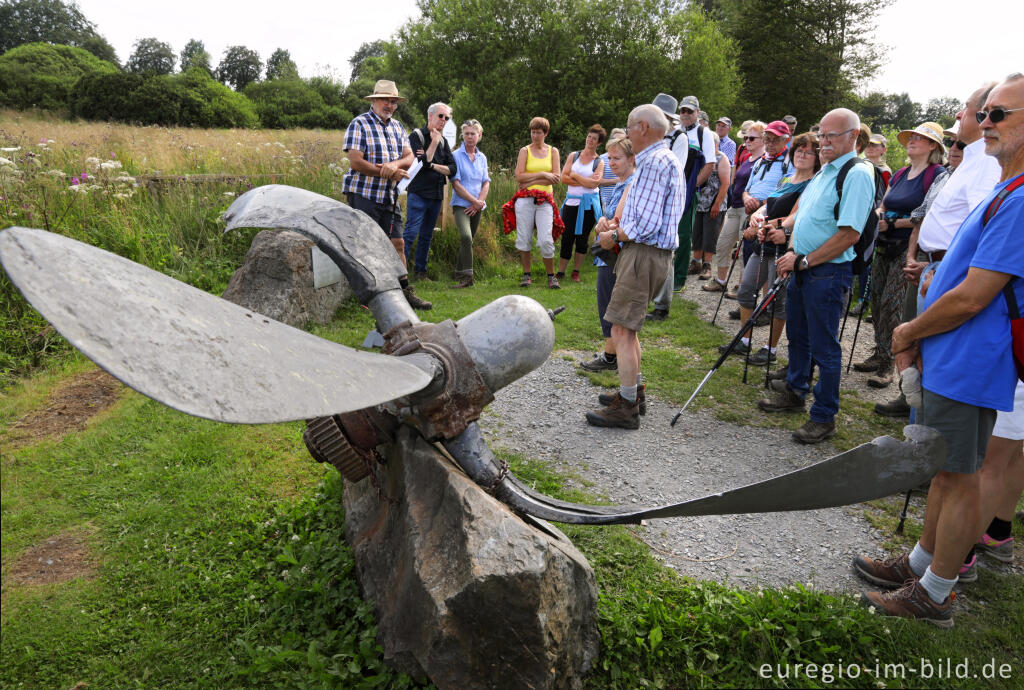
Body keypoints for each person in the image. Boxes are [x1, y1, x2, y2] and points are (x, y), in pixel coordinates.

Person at [854, 73, 1024, 626]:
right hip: (953, 355)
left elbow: (975, 296)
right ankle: (922, 564)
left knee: (958, 476)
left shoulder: (1021, 198)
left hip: (969, 357)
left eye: (997, 114)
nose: (982, 124)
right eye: (985, 113)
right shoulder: (1005, 186)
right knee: (942, 470)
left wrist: (910, 331)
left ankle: (937, 590)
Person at [874, 82, 1002, 418]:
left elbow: (981, 230)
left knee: (929, 352)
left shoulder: (985, 165)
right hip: (930, 267)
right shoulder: (971, 162)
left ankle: (928, 428)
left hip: (947, 273)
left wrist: (941, 269)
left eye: (966, 107)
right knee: (919, 349)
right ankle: (918, 413)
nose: (959, 114)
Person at [757, 108, 875, 444]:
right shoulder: (826, 171)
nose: (823, 142)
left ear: (853, 137)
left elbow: (849, 234)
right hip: (803, 266)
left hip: (826, 272)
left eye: (831, 136)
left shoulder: (856, 173)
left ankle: (823, 417)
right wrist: (781, 233)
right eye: (821, 134)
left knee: (825, 348)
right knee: (799, 335)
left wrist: (803, 261)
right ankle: (795, 392)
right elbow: (804, 216)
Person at [587, 104, 682, 429]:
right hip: (651, 254)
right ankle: (633, 391)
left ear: (643, 127)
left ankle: (626, 406)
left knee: (620, 330)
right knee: (628, 328)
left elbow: (645, 223)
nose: (627, 135)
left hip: (643, 253)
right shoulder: (665, 159)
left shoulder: (654, 162)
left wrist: (613, 235)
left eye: (629, 128)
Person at [854, 122, 947, 389]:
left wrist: (893, 224)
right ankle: (880, 351)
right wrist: (878, 217)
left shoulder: (936, 175)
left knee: (892, 305)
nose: (913, 141)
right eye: (912, 137)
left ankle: (888, 366)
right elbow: (885, 204)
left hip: (908, 249)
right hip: (882, 244)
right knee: (875, 300)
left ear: (933, 146)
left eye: (920, 138)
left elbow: (926, 215)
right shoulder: (901, 173)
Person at [724, 132, 821, 366]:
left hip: (783, 244)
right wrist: (757, 217)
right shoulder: (787, 180)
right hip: (763, 242)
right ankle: (745, 341)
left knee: (776, 300)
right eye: (799, 150)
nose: (802, 155)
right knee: (746, 290)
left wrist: (772, 225)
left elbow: (798, 215)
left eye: (809, 152)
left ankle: (771, 348)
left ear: (817, 158)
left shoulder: (814, 183)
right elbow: (770, 203)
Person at [342, 79, 431, 310]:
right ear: (374, 101)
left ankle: (404, 293)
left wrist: (394, 165)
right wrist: (385, 171)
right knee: (366, 246)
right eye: (385, 100)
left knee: (398, 243)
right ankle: (368, 298)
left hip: (389, 196)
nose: (389, 105)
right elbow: (355, 162)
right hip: (363, 194)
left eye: (393, 101)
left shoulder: (397, 127)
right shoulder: (359, 124)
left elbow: (409, 157)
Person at [580, 131, 635, 372]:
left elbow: (626, 220)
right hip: (609, 251)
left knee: (611, 306)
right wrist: (602, 220)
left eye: (617, 159)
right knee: (607, 303)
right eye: (610, 158)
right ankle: (611, 353)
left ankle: (612, 358)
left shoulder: (632, 184)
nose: (612, 163)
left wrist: (608, 225)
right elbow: (611, 214)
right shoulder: (621, 183)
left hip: (618, 253)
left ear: (631, 158)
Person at [704, 122, 764, 294]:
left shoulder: (764, 160)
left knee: (746, 250)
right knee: (722, 244)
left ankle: (741, 286)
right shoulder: (747, 157)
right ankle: (721, 281)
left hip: (749, 210)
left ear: (762, 140)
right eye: (745, 138)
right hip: (735, 206)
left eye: (751, 138)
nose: (747, 141)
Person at [404, 102, 457, 281]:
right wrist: (433, 143)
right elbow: (421, 163)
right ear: (430, 116)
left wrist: (432, 165)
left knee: (427, 235)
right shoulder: (416, 136)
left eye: (446, 118)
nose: (443, 120)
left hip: (436, 195)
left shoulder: (445, 141)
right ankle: (399, 274)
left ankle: (421, 272)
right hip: (418, 193)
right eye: (441, 116)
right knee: (410, 234)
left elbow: (453, 168)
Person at [512, 117, 562, 288]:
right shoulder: (524, 151)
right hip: (525, 200)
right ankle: (526, 274)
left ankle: (551, 276)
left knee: (545, 239)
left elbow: (555, 178)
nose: (534, 136)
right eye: (533, 132)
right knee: (524, 237)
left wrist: (530, 181)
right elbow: (518, 176)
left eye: (538, 133)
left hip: (546, 201)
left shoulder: (553, 151)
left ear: (545, 133)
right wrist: (543, 174)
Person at [558, 124, 607, 282]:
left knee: (582, 238)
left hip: (588, 205)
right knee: (567, 237)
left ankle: (576, 271)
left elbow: (594, 184)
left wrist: (576, 176)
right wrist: (583, 180)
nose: (590, 140)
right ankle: (560, 271)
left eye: (594, 139)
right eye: (589, 137)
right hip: (572, 203)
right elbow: (563, 177)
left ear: (599, 143)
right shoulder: (574, 156)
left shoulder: (599, 162)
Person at [677, 96, 717, 283]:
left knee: (684, 234)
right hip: (671, 190)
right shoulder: (675, 131)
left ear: (697, 113)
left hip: (688, 193)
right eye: (682, 110)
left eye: (689, 111)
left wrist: (691, 188)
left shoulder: (704, 133)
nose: (685, 114)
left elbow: (710, 164)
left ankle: (678, 279)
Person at [449, 118, 490, 288]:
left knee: (469, 240)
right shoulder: (455, 156)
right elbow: (456, 184)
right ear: (462, 136)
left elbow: (486, 181)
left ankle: (459, 273)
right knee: (466, 236)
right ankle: (468, 278)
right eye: (466, 134)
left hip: (478, 206)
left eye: (473, 134)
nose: (470, 137)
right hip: (461, 205)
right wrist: (473, 201)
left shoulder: (482, 157)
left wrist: (479, 202)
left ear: (479, 135)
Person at [692, 132, 730, 281]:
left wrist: (717, 204)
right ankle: (695, 262)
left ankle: (707, 265)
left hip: (715, 203)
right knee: (697, 234)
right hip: (700, 202)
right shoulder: (702, 157)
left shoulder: (722, 158)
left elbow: (726, 183)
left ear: (716, 144)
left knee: (710, 235)